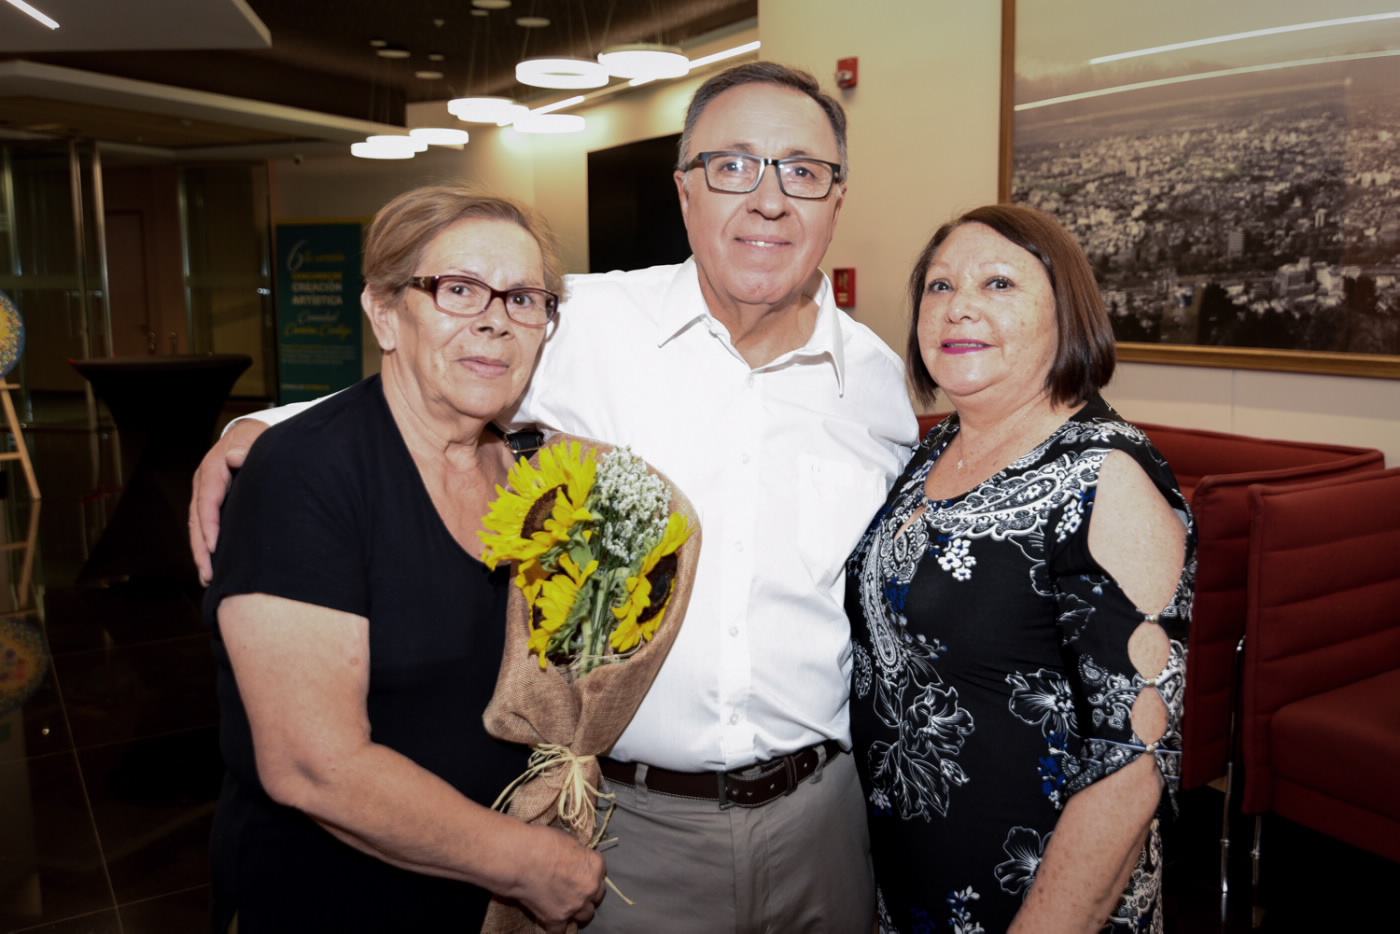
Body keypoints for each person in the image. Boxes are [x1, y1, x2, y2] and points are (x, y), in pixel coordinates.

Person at [191, 63, 917, 931]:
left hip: (822, 820)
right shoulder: (582, 323)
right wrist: (256, 430)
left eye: (802, 171)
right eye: (732, 166)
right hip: (627, 823)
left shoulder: (875, 382)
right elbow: (434, 370)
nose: (769, 200)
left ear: (836, 199)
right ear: (685, 190)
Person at [203, 188, 607, 933]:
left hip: (487, 906)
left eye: (523, 298)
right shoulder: (305, 475)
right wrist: (527, 862)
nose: (495, 319)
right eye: (459, 290)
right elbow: (314, 766)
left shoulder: (535, 475)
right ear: (384, 313)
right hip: (340, 904)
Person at [845, 204, 1194, 933]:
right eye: (939, 287)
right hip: (911, 889)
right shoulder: (934, 450)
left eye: (999, 283)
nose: (959, 307)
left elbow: (1131, 764)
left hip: (1046, 903)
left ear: (1066, 311)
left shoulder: (1106, 476)